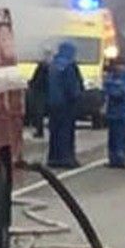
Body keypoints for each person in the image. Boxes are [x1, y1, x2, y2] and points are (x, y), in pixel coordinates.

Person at [46, 40, 84, 168]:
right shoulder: (69, 66)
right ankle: (66, 158)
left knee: (54, 131)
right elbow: (71, 87)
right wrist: (77, 97)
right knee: (66, 132)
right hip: (66, 104)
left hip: (53, 103)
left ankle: (53, 158)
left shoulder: (53, 64)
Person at [103, 55, 125, 169]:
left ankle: (121, 159)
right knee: (112, 137)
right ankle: (113, 159)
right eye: (116, 65)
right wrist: (113, 88)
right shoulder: (111, 76)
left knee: (121, 136)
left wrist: (113, 89)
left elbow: (123, 91)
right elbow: (106, 88)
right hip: (112, 112)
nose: (118, 68)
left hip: (123, 112)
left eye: (120, 65)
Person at [25, 50, 51, 139]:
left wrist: (31, 85)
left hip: (40, 92)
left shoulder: (42, 66)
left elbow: (37, 79)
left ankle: (39, 131)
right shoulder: (52, 66)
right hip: (48, 92)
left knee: (38, 112)